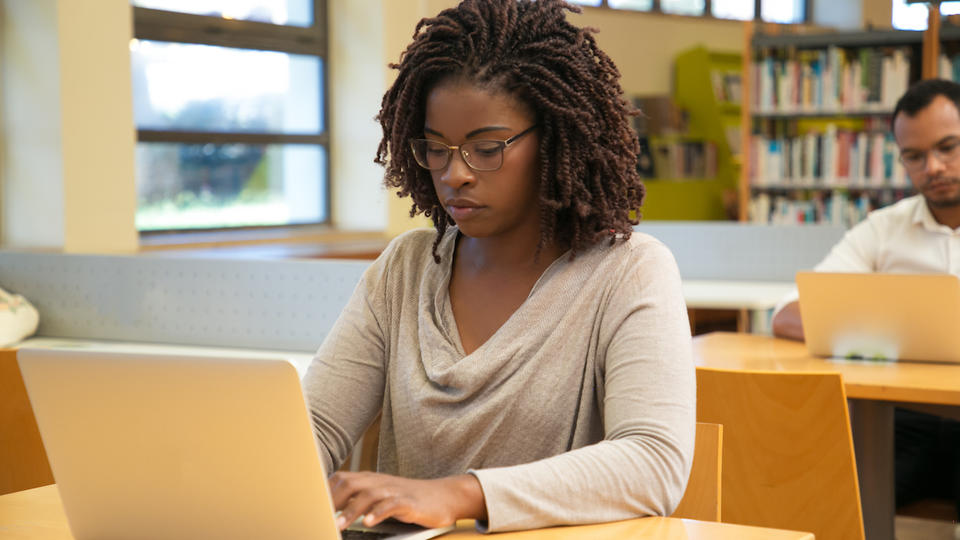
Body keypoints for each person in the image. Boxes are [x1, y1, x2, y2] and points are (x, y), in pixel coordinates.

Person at [301, 0, 695, 533]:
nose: (454, 174)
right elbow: (313, 429)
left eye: (486, 148)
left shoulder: (630, 272)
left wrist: (460, 496)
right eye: (435, 148)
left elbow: (653, 463)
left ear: (555, 137)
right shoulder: (405, 268)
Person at [771, 78, 960, 517]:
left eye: (948, 147)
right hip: (900, 421)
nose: (932, 167)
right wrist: (894, 333)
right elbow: (787, 312)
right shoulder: (883, 229)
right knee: (829, 501)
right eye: (914, 156)